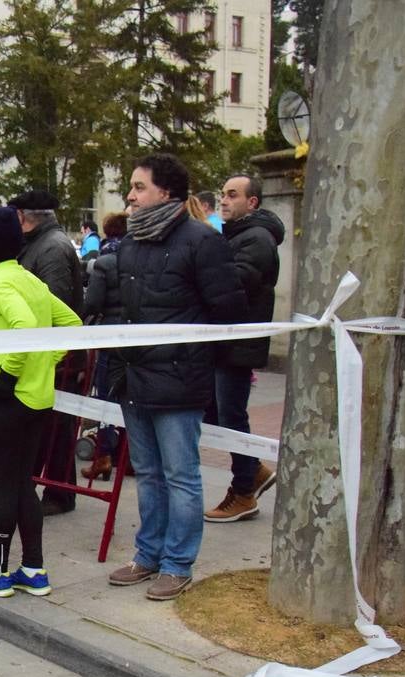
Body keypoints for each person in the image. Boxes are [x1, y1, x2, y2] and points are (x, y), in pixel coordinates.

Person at [102, 153, 246, 601]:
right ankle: (148, 556)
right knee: (147, 473)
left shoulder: (202, 242)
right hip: (136, 377)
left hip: (180, 381)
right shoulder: (130, 242)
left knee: (182, 475)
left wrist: (190, 356)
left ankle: (178, 564)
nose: (130, 195)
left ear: (166, 192)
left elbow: (229, 310)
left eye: (139, 187)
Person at [0, 207, 82, 598]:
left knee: (5, 483)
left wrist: (11, 375)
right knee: (23, 482)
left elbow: (25, 328)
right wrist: (47, 362)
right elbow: (72, 325)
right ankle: (33, 568)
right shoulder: (30, 278)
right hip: (39, 397)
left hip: (8, 398)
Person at [204, 174, 283, 523]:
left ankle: (244, 491)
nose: (224, 200)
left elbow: (234, 284)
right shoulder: (239, 235)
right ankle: (253, 470)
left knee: (231, 416)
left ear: (252, 202)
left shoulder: (257, 238)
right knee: (216, 414)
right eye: (222, 194)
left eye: (232, 195)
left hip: (236, 345)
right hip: (224, 343)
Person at [9, 188, 84, 516]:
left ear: (23, 218)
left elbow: (56, 304)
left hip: (54, 355)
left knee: (55, 425)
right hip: (48, 353)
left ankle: (59, 491)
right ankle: (37, 486)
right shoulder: (43, 244)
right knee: (44, 424)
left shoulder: (51, 248)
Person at [80, 211, 129, 482]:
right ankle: (124, 454)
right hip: (135, 337)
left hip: (109, 338)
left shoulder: (104, 262)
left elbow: (93, 302)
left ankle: (104, 453)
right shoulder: (138, 256)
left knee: (105, 397)